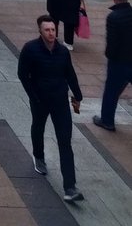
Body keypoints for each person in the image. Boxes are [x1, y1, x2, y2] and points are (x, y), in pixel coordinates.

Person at [17, 15, 84, 203]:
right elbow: (22, 74)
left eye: (53, 29)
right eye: (47, 30)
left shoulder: (63, 52)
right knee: (38, 126)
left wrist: (77, 95)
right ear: (40, 31)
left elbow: (70, 73)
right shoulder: (30, 49)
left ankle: (70, 187)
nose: (51, 33)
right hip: (40, 100)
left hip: (60, 101)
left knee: (65, 141)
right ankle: (38, 156)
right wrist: (33, 96)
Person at [93, 0, 132, 131]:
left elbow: (112, 43)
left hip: (119, 62)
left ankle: (107, 121)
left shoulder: (114, 17)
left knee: (111, 92)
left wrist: (109, 56)